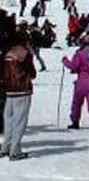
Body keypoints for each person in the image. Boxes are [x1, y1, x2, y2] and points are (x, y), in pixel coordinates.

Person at [1, 27, 36, 160]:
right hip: (23, 89)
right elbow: (32, 73)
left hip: (9, 90)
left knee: (8, 120)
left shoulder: (8, 53)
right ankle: (15, 150)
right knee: (20, 121)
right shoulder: (25, 53)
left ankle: (6, 146)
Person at [62, 32, 89, 131]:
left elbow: (74, 67)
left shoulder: (80, 53)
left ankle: (75, 121)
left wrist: (65, 61)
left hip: (81, 80)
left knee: (77, 103)